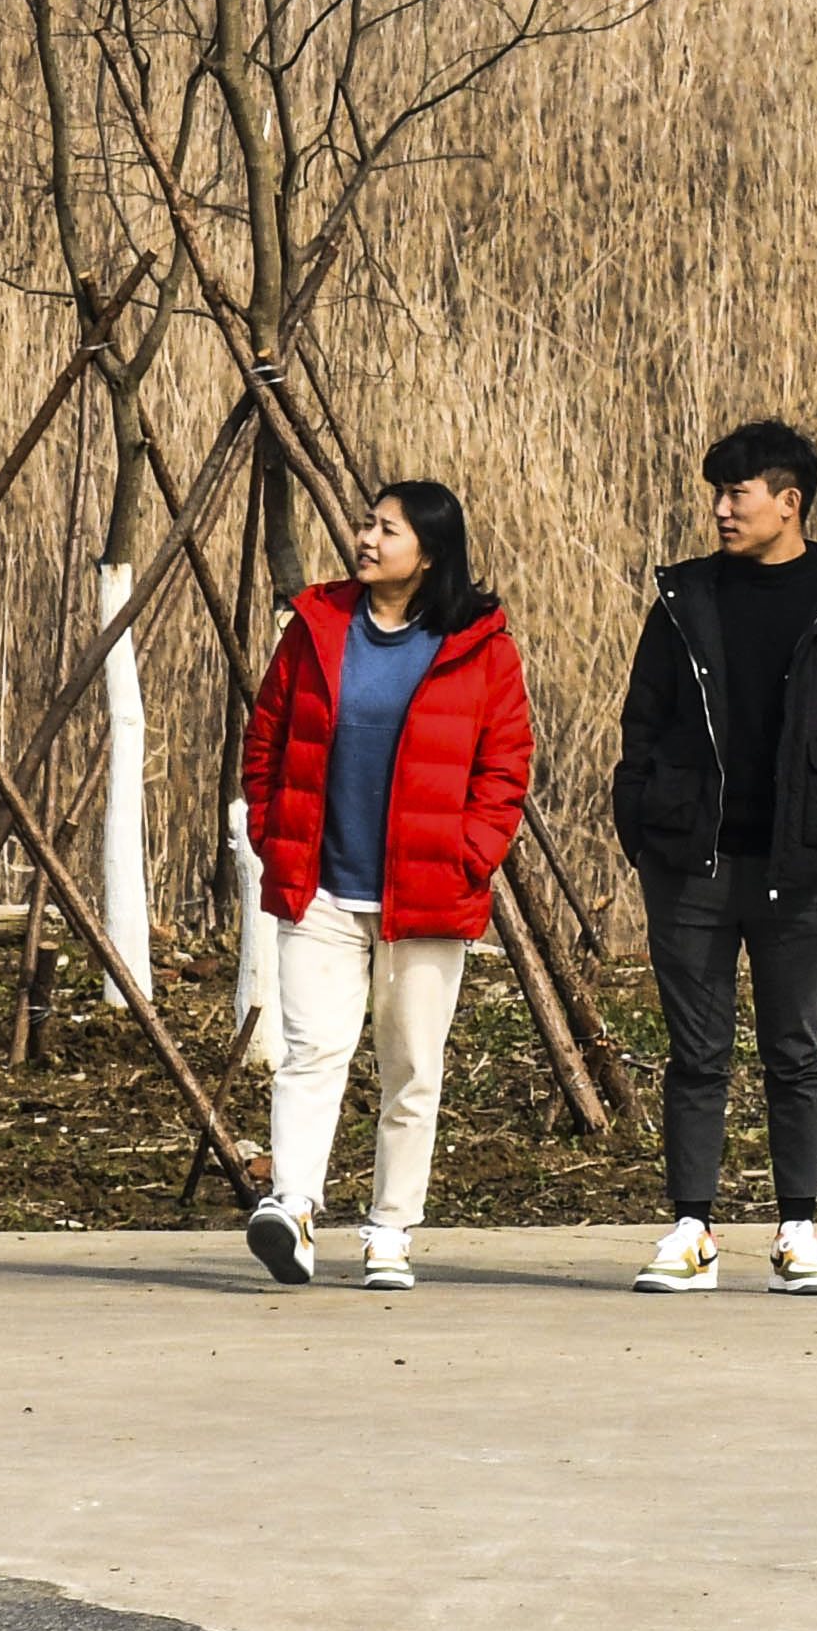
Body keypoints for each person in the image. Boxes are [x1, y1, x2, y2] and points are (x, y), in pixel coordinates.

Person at [608, 417, 817, 1299]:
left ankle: (797, 1231)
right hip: (691, 860)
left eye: (737, 494)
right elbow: (643, 714)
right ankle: (692, 1230)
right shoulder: (685, 597)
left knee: (796, 1049)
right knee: (695, 1052)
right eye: (716, 493)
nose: (719, 509)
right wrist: (642, 825)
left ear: (790, 502)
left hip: (802, 862)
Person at [231, 477, 535, 1291]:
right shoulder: (318, 627)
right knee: (311, 1053)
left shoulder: (479, 645)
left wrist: (471, 854)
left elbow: (505, 767)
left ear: (428, 552)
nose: (366, 538)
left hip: (425, 896)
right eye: (368, 524)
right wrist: (271, 833)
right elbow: (266, 736)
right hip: (320, 886)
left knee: (411, 1070)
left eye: (387, 529)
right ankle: (292, 1206)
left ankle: (390, 1229)